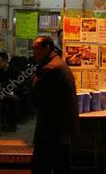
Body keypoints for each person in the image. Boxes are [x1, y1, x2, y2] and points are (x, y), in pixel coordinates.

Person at [31, 36, 79, 174]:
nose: (33, 51)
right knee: (60, 163)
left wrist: (34, 75)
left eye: (36, 48)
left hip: (52, 128)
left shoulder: (50, 68)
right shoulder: (56, 63)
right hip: (59, 127)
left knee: (42, 165)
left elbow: (37, 97)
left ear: (47, 48)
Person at [0, 52, 19, 131]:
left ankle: (12, 125)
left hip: (10, 93)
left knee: (13, 99)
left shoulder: (14, 70)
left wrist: (9, 92)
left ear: (6, 61)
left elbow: (18, 85)